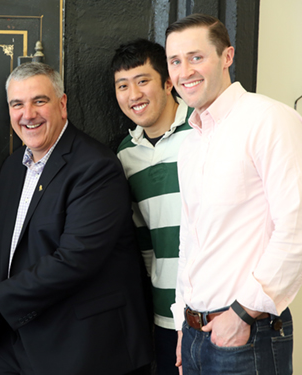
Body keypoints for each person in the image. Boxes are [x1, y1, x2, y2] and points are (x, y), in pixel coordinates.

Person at [0, 62, 152, 375]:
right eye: (17, 104)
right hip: (17, 337)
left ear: (62, 104)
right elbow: (2, 251)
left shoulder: (95, 167)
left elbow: (76, 259)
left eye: (40, 101)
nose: (28, 114)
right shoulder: (14, 167)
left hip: (80, 344)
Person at [165, 13, 302, 375]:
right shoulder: (190, 143)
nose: (184, 71)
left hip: (247, 334)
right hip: (196, 336)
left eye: (196, 57)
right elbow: (190, 242)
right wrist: (183, 323)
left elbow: (297, 225)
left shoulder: (268, 119)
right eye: (175, 61)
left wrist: (242, 314)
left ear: (226, 57)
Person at [112, 38, 192, 375]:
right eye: (123, 86)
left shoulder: (203, 132)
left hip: (215, 311)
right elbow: (143, 240)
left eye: (143, 80)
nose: (133, 95)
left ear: (168, 81)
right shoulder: (125, 155)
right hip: (163, 314)